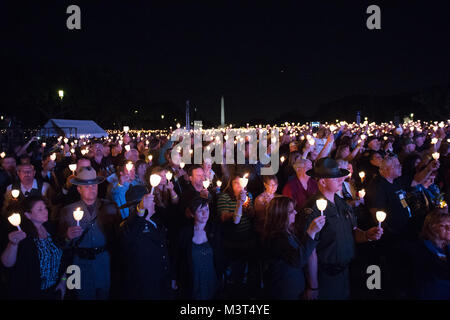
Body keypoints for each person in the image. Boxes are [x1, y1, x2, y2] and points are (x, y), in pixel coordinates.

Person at [302, 158, 383, 300]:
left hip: (346, 271)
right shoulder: (312, 209)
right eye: (335, 177)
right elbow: (310, 251)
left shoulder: (342, 204)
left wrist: (366, 235)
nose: (341, 179)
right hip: (326, 275)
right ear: (322, 182)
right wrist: (313, 286)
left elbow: (352, 231)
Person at [58, 166, 120, 300]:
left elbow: (118, 237)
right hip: (77, 263)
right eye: (86, 186)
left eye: (94, 185)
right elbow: (60, 245)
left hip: (103, 261)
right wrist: (68, 236)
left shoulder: (109, 207)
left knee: (104, 294)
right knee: (80, 295)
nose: (91, 189)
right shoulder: (67, 211)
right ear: (79, 189)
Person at [1, 196, 67, 299]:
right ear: (28, 215)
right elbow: (7, 263)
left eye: (45, 208)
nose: (45, 211)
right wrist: (13, 244)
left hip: (54, 290)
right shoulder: (21, 235)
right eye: (40, 209)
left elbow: (62, 257)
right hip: (30, 293)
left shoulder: (50, 228)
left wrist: (63, 281)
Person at [262, 196, 325, 300]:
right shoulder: (275, 238)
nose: (295, 213)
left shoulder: (289, 232)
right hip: (283, 291)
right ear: (280, 215)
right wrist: (311, 232)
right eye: (291, 211)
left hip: (295, 288)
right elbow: (298, 260)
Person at [119, 185, 175, 299]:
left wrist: (171, 276)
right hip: (144, 288)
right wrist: (140, 210)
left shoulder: (157, 222)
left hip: (163, 282)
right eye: (150, 201)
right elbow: (133, 229)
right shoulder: (127, 227)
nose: (154, 203)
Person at [175, 197, 225, 300]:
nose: (204, 213)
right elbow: (178, 257)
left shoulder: (215, 230)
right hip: (192, 282)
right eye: (200, 210)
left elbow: (220, 256)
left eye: (207, 209)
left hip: (211, 280)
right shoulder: (185, 233)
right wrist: (175, 278)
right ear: (193, 214)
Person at [217, 172, 258, 297]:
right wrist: (238, 207)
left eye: (241, 183)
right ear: (231, 184)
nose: (239, 186)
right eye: (236, 183)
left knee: (245, 269)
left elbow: (252, 216)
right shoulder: (224, 197)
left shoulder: (248, 195)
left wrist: (247, 207)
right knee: (232, 270)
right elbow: (225, 217)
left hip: (247, 238)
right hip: (231, 240)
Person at [407, 208, 450, 299]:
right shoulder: (421, 249)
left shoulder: (447, 247)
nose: (448, 229)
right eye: (443, 226)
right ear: (432, 228)